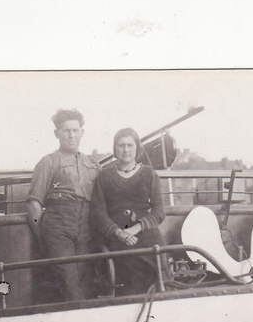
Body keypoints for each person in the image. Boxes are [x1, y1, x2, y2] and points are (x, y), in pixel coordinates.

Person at [27, 109, 100, 302]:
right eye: (66, 130)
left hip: (88, 228)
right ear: (57, 133)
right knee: (69, 280)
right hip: (58, 226)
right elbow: (34, 203)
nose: (71, 135)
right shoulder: (48, 162)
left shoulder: (93, 165)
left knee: (87, 279)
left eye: (75, 130)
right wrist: (41, 237)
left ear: (82, 132)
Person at [91, 127, 166, 295]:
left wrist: (134, 229)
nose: (125, 150)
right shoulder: (104, 176)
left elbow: (159, 211)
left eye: (130, 145)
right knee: (129, 276)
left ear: (137, 148)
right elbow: (98, 213)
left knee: (160, 267)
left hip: (146, 233)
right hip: (117, 236)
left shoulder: (149, 174)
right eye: (121, 145)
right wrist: (119, 233)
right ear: (115, 149)